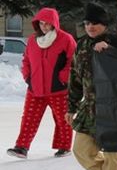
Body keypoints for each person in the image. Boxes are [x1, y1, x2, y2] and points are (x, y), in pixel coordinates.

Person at [67, 3, 117, 170]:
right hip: (90, 106)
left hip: (114, 105)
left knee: (113, 154)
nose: (90, 27)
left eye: (95, 23)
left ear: (103, 24)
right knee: (82, 150)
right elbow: (75, 76)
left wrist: (111, 50)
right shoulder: (82, 44)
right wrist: (71, 106)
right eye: (87, 23)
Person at [7, 8, 76, 159]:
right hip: (35, 88)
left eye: (47, 24)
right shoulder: (32, 40)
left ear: (54, 24)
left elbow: (72, 61)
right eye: (41, 23)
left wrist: (63, 78)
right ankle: (21, 147)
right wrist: (27, 78)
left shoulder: (66, 39)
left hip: (58, 89)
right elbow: (26, 60)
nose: (44, 27)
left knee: (62, 120)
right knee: (29, 119)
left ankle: (64, 147)